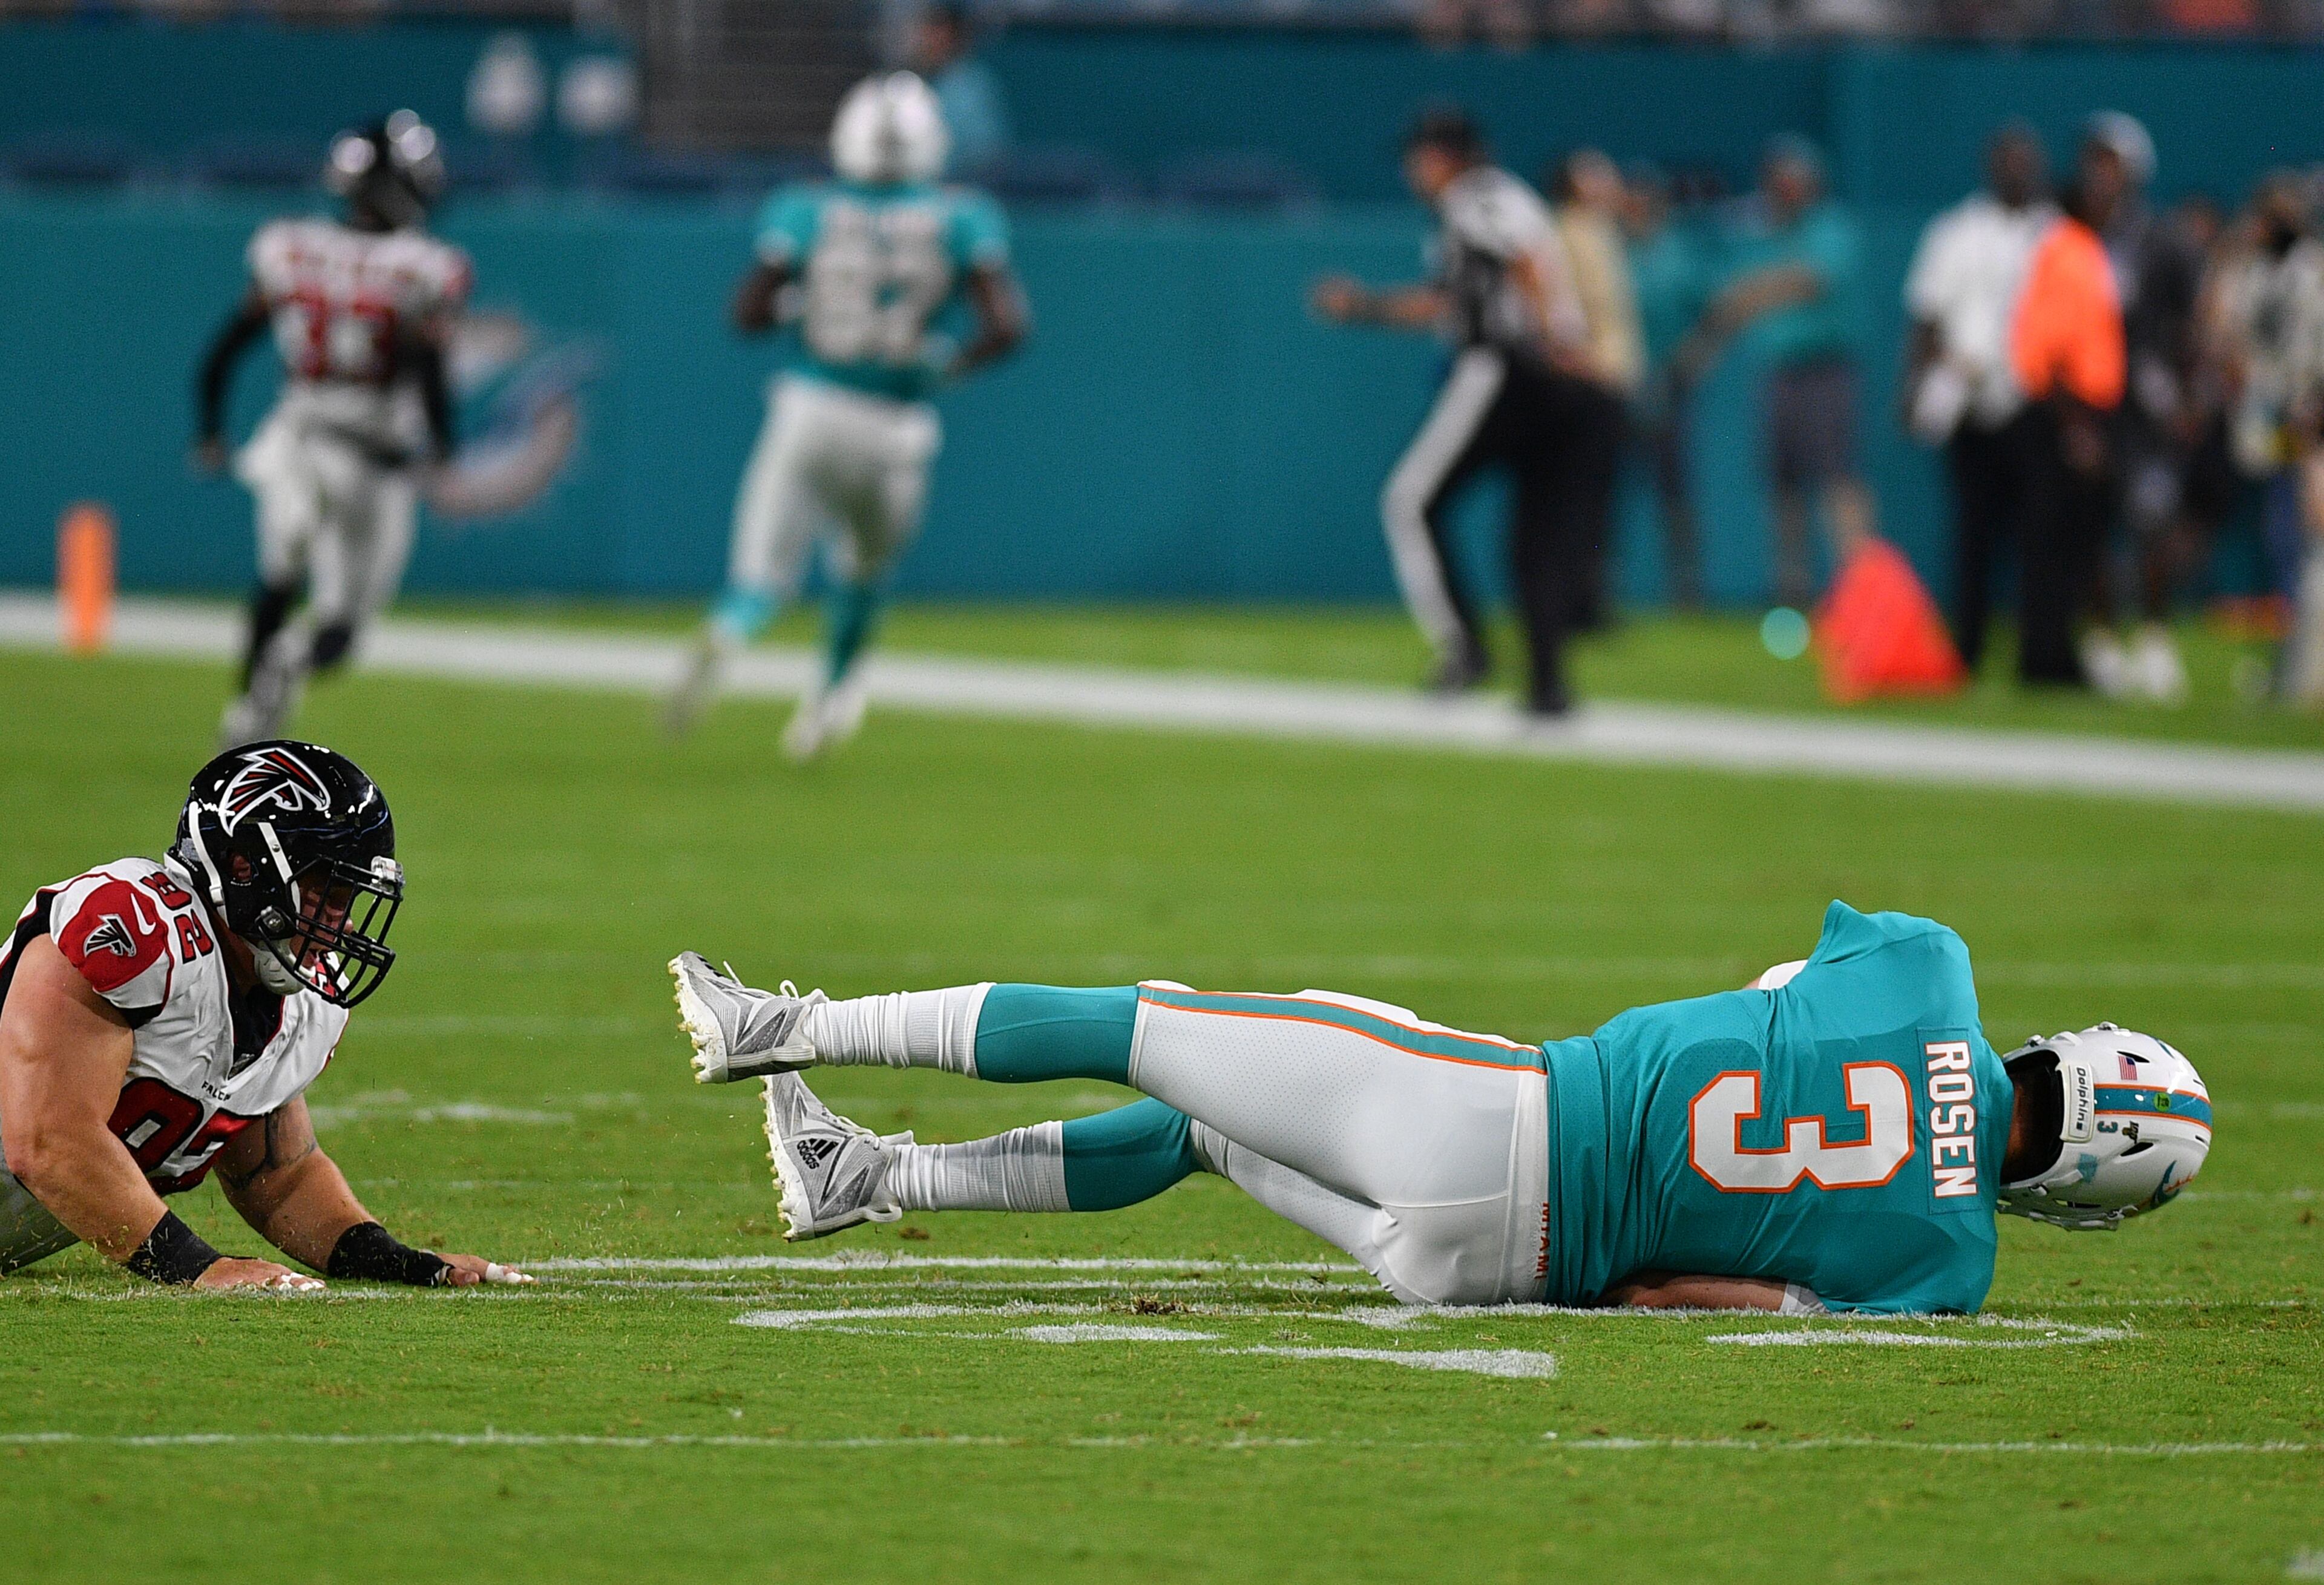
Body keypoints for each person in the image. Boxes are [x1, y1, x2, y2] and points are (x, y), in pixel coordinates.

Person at [669, 901, 2209, 1314]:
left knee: (1138, 1028)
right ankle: (861, 1174)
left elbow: (1767, 986)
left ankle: (780, 1025)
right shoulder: (1952, 1269)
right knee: (1209, 1126)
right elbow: (1710, 1296)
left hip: (1499, 1112)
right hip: (1500, 1273)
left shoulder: (1928, 971)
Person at [0, 742, 531, 1290]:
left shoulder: (291, 1000)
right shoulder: (138, 931)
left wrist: (395, 1261)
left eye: (348, 899)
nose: (341, 924)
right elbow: (49, 1140)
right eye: (326, 891)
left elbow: (281, 1178)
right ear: (244, 866)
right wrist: (199, 1269)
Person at [665, 73, 1028, 758]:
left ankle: (731, 629)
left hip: (811, 405)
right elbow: (1008, 326)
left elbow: (746, 314)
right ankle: (827, 705)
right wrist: (946, 365)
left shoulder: (806, 208)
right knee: (864, 570)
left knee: (761, 575)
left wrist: (800, 310)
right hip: (898, 423)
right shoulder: (962, 217)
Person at [1312, 110, 1603, 716]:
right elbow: (1450, 300)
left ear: (1442, 157)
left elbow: (1521, 260)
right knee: (1535, 539)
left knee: (1412, 499)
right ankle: (1548, 685)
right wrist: (1366, 308)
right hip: (1556, 384)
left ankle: (1465, 646)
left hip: (1507, 370)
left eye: (1418, 157)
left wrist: (1554, 337)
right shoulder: (1506, 195)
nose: (1411, 171)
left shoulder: (1475, 199)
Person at [195, 113, 468, 750]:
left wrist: (209, 427)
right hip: (340, 446)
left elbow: (224, 349)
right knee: (293, 561)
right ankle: (248, 716)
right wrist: (447, 447)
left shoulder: (292, 247)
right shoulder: (423, 266)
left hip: (327, 442)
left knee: (327, 613)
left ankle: (270, 674)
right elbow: (428, 365)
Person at [1674, 136, 1873, 608]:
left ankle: (1863, 589)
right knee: (1783, 485)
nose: (1782, 190)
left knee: (1837, 478)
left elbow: (1807, 281)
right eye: (1776, 181)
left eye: (1791, 181)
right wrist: (1699, 353)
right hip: (1779, 373)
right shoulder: (1763, 235)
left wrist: (1751, 291)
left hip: (1825, 371)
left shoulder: (1832, 226)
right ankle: (1793, 588)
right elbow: (1728, 306)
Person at [1901, 124, 2055, 676]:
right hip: (1969, 401)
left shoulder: (2054, 232)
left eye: (2025, 160)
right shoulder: (1957, 231)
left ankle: (2039, 655)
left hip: (2036, 400)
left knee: (2040, 537)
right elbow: (1926, 315)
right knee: (1973, 537)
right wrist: (1915, 387)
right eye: (2007, 160)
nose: (2016, 171)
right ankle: (1966, 649)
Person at [2079, 113, 2217, 702]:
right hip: (2090, 401)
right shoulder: (2078, 236)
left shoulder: (2161, 240)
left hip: (2147, 402)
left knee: (2154, 524)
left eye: (2109, 163)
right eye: (2093, 162)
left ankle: (2155, 639)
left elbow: (2192, 324)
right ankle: (2105, 643)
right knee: (2091, 525)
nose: (2098, 175)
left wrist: (2190, 395)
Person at [2009, 140, 2129, 689]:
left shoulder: (2086, 248)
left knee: (2072, 541)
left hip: (2080, 411)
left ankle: (2056, 650)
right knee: (2052, 539)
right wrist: (2076, 427)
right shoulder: (2067, 250)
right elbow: (2051, 351)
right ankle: (2045, 657)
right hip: (2064, 413)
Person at [1551, 148, 1645, 631]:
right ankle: (1572, 602)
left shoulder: (1603, 232)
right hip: (1587, 381)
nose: (1610, 184)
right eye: (1597, 178)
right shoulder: (1568, 231)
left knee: (1600, 501)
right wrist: (1578, 363)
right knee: (1578, 499)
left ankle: (1590, 600)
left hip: (1612, 378)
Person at [1623, 164, 1713, 608]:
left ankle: (1687, 590)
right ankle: (1599, 591)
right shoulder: (1612, 254)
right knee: (1606, 491)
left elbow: (1712, 319)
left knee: (1674, 492)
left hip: (1668, 386)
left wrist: (1686, 367)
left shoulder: (1678, 255)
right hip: (1617, 386)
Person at [910, 2, 1011, 180]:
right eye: (929, 30)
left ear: (955, 37)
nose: (932, 40)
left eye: (941, 31)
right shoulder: (907, 83)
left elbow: (984, 154)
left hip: (957, 190)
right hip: (913, 188)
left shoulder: (973, 87)